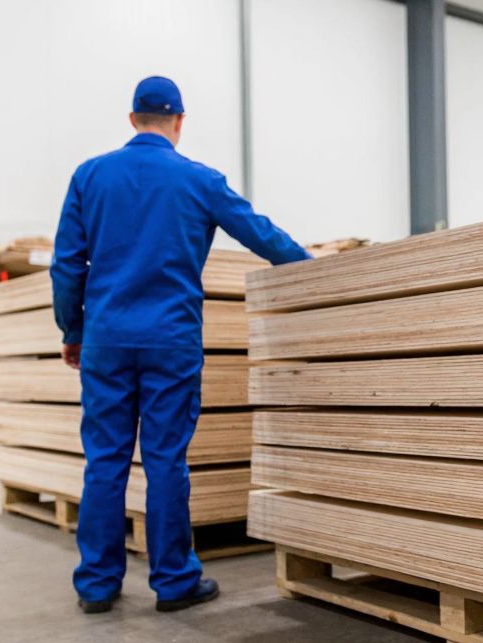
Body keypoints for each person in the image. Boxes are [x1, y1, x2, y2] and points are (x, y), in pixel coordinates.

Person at [50, 76, 311, 615]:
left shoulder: (89, 175)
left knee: (105, 460)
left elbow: (66, 265)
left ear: (132, 119)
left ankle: (97, 585)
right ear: (179, 122)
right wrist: (315, 269)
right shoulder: (199, 179)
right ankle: (173, 582)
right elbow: (263, 235)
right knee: (166, 459)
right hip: (170, 341)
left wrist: (72, 331)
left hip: (106, 341)